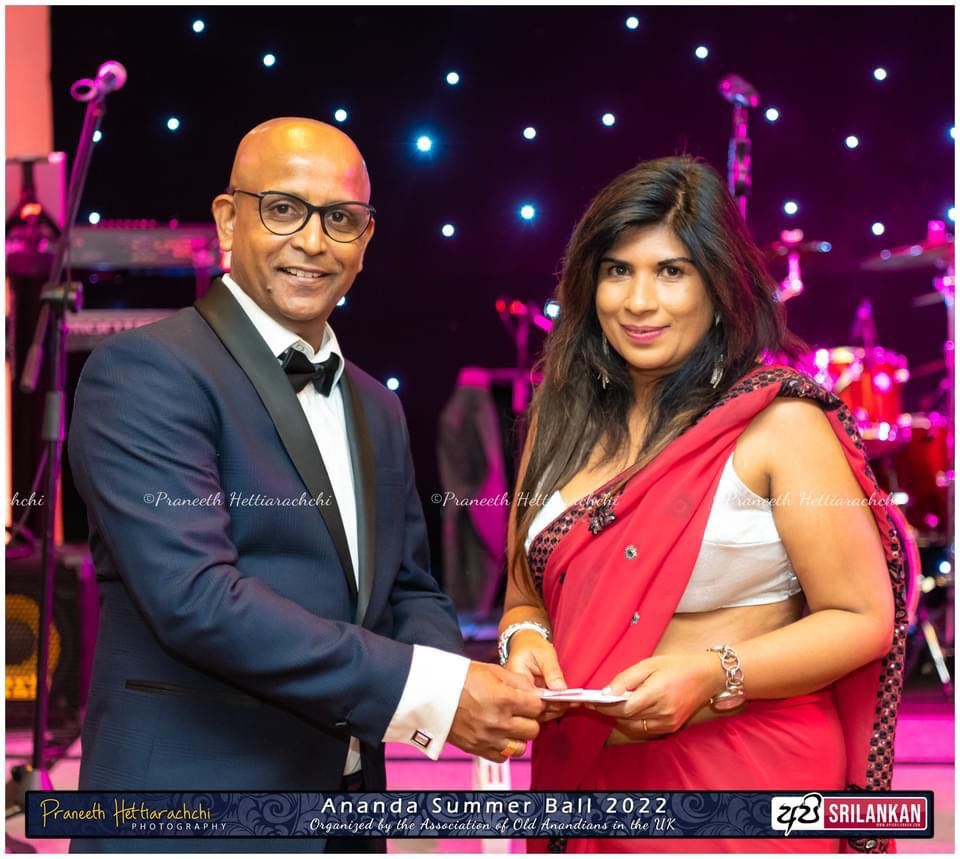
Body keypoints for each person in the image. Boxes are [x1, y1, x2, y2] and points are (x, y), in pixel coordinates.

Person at [67, 117, 543, 853]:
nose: (314, 242)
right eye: (284, 209)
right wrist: (434, 693)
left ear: (366, 240)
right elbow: (197, 600)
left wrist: (467, 686)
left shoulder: (377, 404)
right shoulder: (146, 371)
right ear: (229, 219)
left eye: (341, 219)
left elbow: (408, 590)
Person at [499, 156, 905, 854]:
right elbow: (523, 598)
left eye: (671, 271)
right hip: (586, 788)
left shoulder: (780, 425)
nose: (638, 301)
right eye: (618, 270)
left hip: (747, 782)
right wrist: (525, 641)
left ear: (719, 286)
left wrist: (715, 672)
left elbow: (863, 619)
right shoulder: (557, 422)